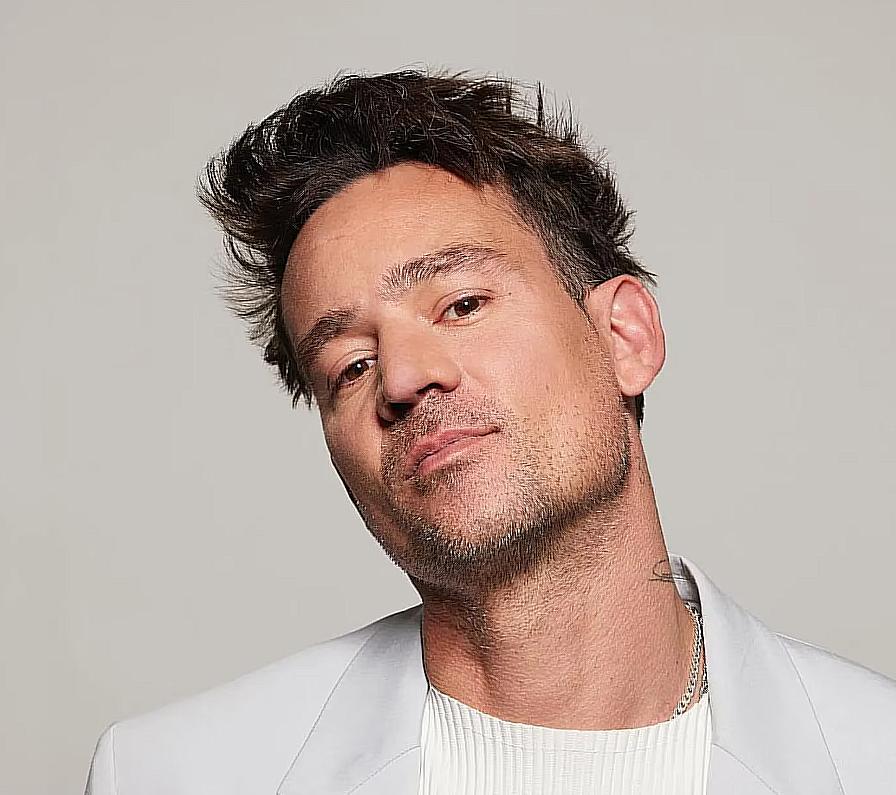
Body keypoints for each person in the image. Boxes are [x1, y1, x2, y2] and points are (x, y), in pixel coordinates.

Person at [85, 70, 896, 795]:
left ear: (625, 338)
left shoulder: (876, 754)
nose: (403, 378)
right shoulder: (170, 774)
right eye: (351, 365)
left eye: (462, 304)